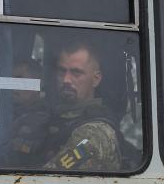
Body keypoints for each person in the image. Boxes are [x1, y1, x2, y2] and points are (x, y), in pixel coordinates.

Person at [41, 41, 121, 171]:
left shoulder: (94, 133)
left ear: (96, 79)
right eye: (62, 71)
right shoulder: (54, 118)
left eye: (76, 72)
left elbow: (47, 181)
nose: (66, 80)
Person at [1, 58, 51, 168]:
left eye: (19, 80)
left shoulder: (42, 119)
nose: (13, 86)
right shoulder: (5, 112)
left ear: (37, 83)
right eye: (10, 80)